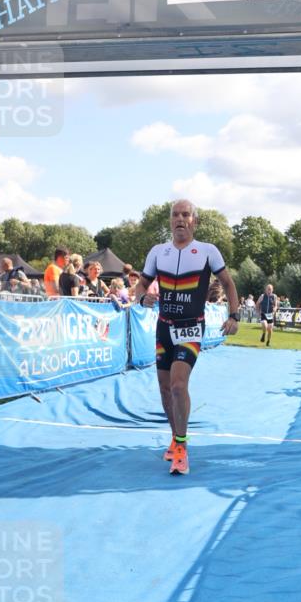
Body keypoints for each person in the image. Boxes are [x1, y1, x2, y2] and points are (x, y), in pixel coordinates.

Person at [131, 199, 240, 476]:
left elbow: (228, 282)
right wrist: (143, 297)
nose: (180, 219)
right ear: (170, 221)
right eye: (175, 215)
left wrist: (234, 315)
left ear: (195, 221)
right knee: (165, 390)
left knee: (179, 386)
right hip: (164, 328)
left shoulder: (207, 251)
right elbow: (141, 284)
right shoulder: (158, 252)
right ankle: (175, 437)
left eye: (186, 215)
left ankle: (181, 446)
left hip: (191, 328)